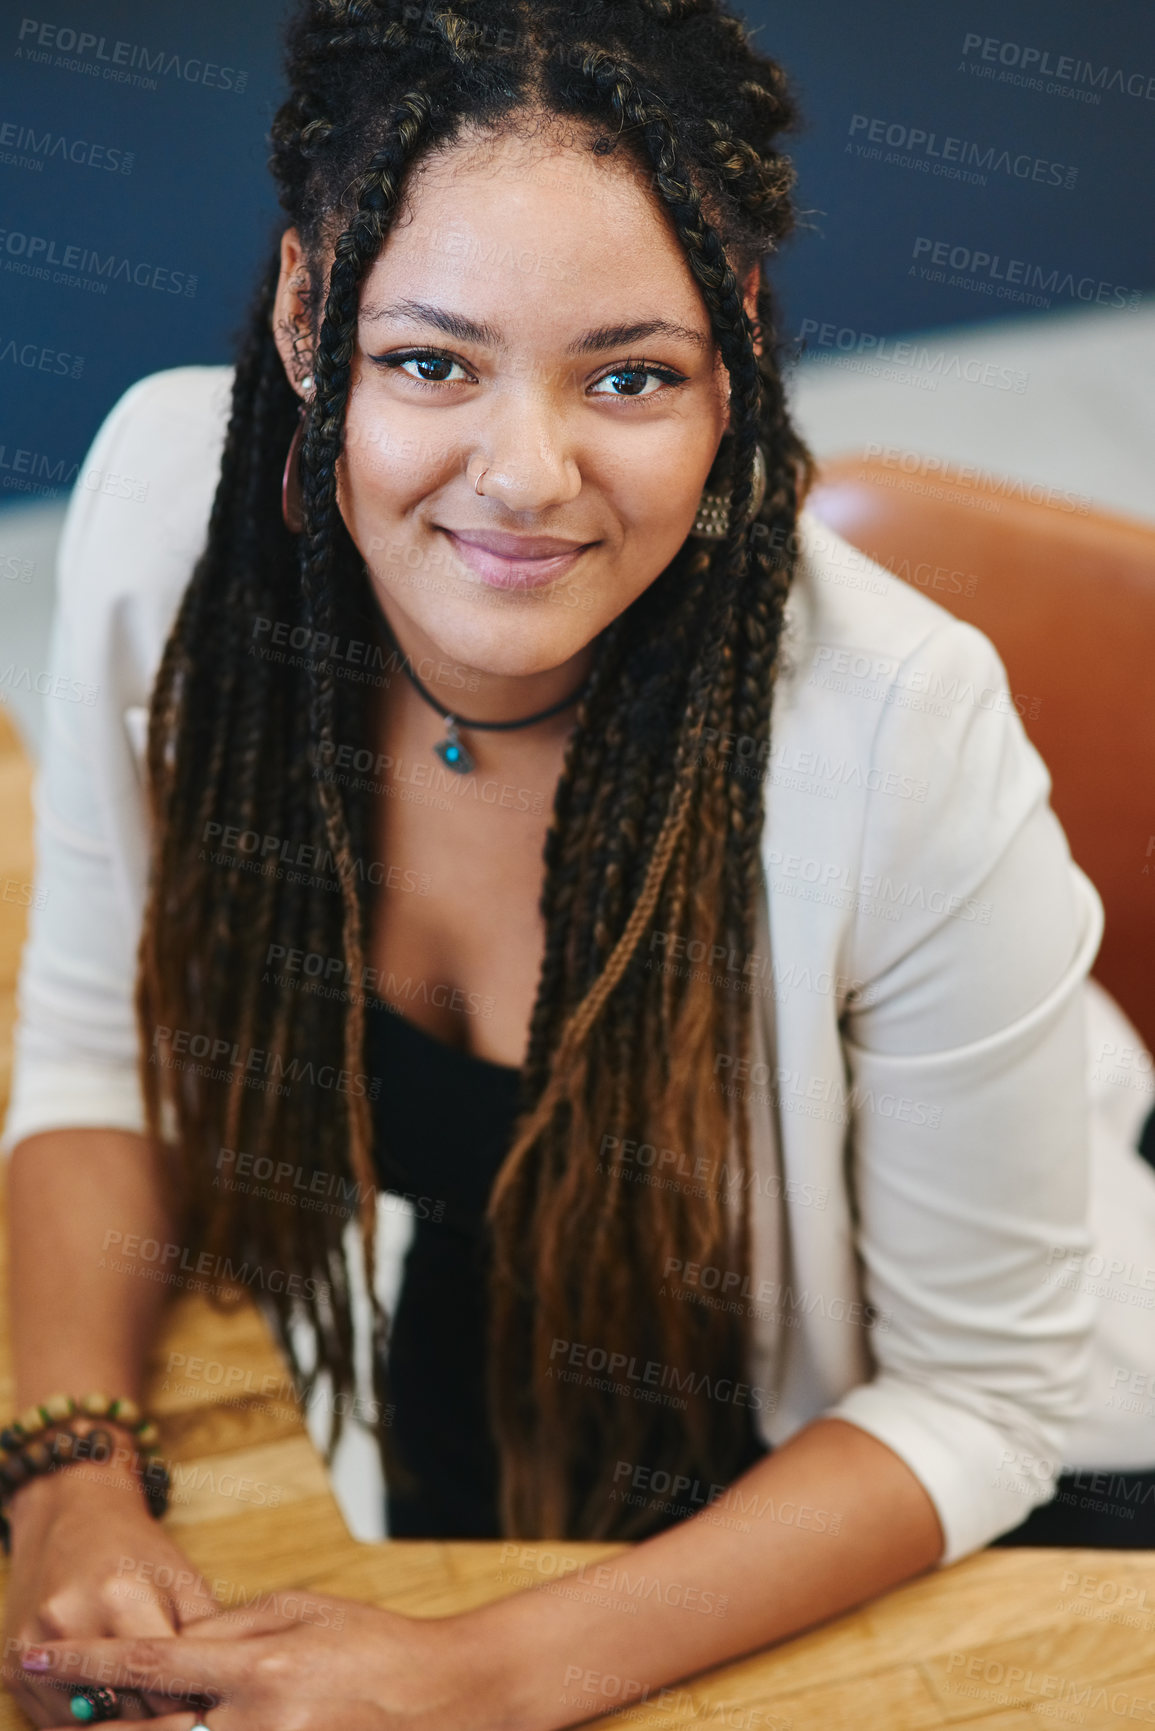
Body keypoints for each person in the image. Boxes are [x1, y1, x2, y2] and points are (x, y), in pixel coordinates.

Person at [2, 0, 1154, 1725]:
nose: (525, 479)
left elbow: (978, 1404)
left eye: (628, 374)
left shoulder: (895, 727)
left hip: (979, 1452)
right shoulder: (178, 514)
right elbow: (106, 1047)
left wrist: (470, 1678)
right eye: (432, 362)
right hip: (527, 1343)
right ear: (311, 317)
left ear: (735, 349)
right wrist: (70, 1473)